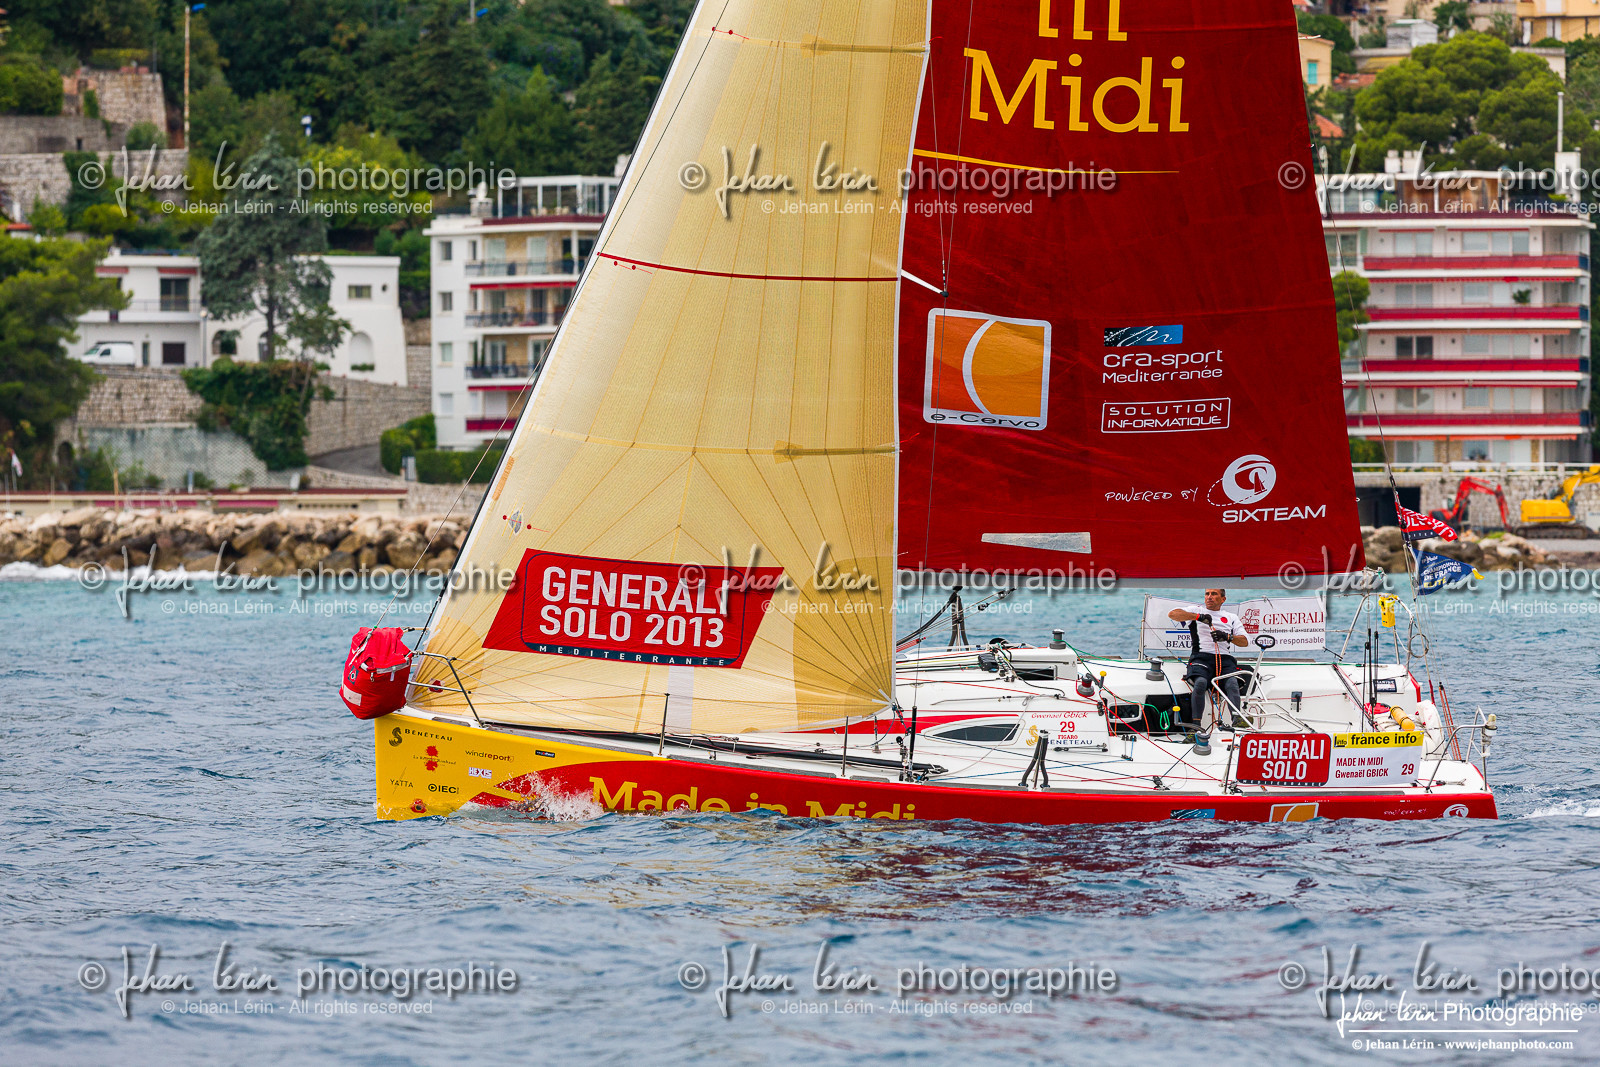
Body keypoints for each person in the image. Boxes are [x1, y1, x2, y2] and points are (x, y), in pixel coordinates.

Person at [1167, 589, 1250, 733]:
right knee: (1200, 683)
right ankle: (1196, 727)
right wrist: (1198, 617)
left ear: (1223, 599)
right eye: (1207, 594)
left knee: (1232, 683)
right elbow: (1172, 614)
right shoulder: (1196, 610)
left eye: (1214, 594)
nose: (1209, 597)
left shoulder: (1230, 617)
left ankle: (1237, 719)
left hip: (1224, 658)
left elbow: (1245, 642)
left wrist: (1227, 637)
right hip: (1201, 657)